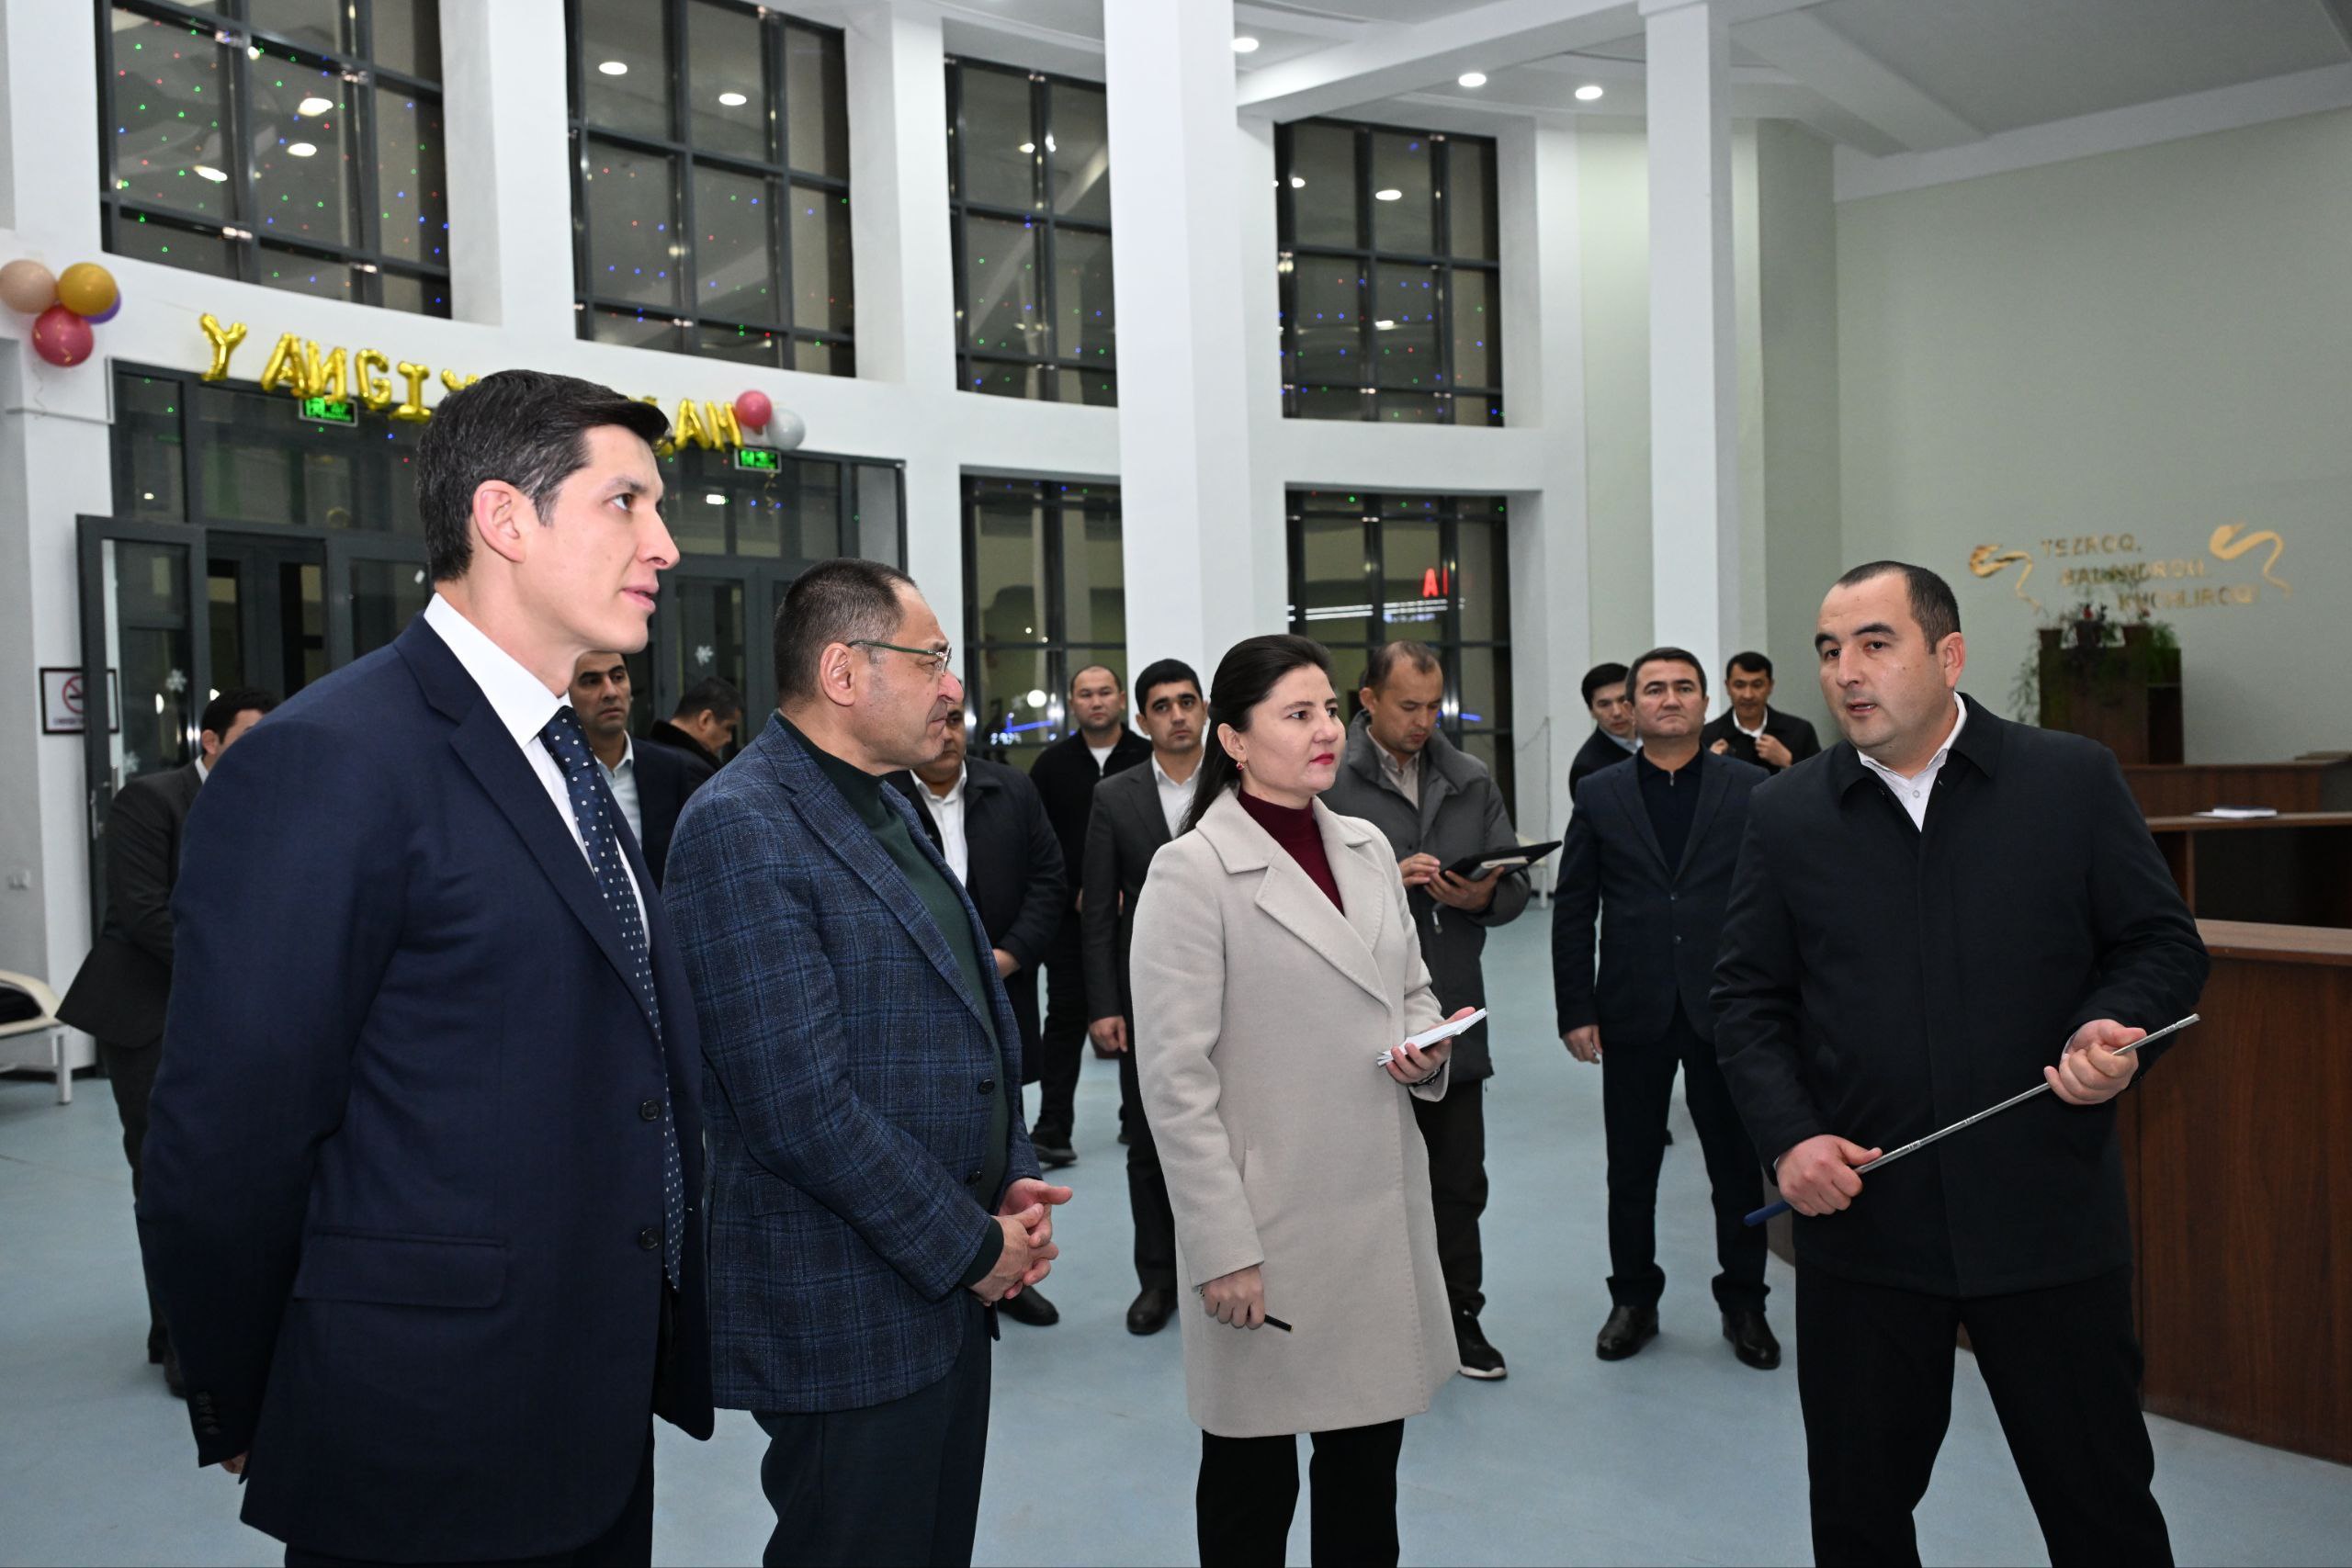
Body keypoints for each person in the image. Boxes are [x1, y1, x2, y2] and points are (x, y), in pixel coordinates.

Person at [135, 370, 714, 1565]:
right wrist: (255, 1388)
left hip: (587, 1401)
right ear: (505, 519)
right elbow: (229, 1133)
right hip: (420, 1427)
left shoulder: (564, 754)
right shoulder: (331, 759)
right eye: (626, 502)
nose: (663, 543)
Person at [1714, 561, 2208, 1566]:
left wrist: (2111, 1027)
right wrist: (1791, 1138)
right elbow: (1747, 998)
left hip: (2045, 1221)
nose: (1846, 671)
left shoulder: (2068, 780)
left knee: (2101, 1511)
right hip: (1866, 1229)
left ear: (1949, 656)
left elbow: (2160, 944)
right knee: (1858, 1516)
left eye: (1874, 643)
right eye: (1829, 650)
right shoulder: (1787, 812)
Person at [665, 558, 1070, 1568]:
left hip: (946, 1282)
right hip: (844, 1301)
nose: (952, 685)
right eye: (929, 659)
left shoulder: (887, 803)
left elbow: (970, 1011)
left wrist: (1010, 1172)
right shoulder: (741, 824)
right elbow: (797, 1107)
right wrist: (972, 1248)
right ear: (843, 672)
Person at [1132, 634, 1472, 1568]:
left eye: (1329, 710)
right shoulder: (1192, 872)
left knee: (1365, 1484)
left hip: (1373, 1218)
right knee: (1251, 1492)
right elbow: (1175, 1084)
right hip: (1269, 1231)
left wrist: (1423, 1048)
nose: (1327, 730)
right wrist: (1221, 1248)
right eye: (1297, 714)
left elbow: (1411, 991)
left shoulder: (1365, 846)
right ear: (1234, 740)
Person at [1552, 648, 1778, 1369]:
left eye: (1684, 687)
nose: (1669, 698)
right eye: (1654, 688)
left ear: (1706, 702)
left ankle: (1744, 1302)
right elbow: (1574, 906)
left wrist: (1776, 1001)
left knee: (1736, 1168)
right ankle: (1633, 1299)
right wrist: (1575, 1007)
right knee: (1632, 1169)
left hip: (1727, 1009)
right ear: (1632, 705)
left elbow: (1776, 902)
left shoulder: (1750, 789)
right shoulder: (1600, 792)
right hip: (1633, 1006)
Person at [57, 684, 277, 1398]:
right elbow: (143, 911)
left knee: (229, 1178)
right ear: (209, 741)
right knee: (166, 1176)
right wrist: (238, 972)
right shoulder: (149, 800)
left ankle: (205, 1326)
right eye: (249, 735)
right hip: (148, 1013)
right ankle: (181, 1340)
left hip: (229, 1016)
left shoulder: (269, 801)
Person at [1319, 640, 1528, 1381]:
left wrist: (1483, 894)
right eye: (1408, 705)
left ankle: (1459, 1315)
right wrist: (1383, 880)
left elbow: (1513, 881)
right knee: (1355, 1181)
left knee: (1458, 1182)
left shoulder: (1468, 778)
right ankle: (1361, 1322)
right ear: (1368, 699)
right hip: (1351, 1015)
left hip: (1450, 1009)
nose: (1423, 719)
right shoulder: (1327, 779)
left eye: (1433, 705)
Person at [888, 717, 1069, 1329]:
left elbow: (1048, 880)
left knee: (1003, 1129)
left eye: (954, 720)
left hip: (1002, 985)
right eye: (932, 719)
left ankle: (1011, 1274)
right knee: (932, 1130)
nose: (944, 732)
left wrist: (1004, 958)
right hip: (914, 999)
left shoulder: (1011, 789)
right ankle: (953, 1268)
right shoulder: (883, 794)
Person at [1079, 658, 1204, 1337]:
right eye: (1163, 705)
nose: (1177, 715)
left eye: (1187, 701)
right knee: (1150, 1142)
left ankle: (1226, 1266)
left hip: (1235, 986)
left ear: (1205, 709)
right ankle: (1158, 1278)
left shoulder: (1239, 782)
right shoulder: (1115, 795)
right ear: (1143, 719)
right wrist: (1104, 1004)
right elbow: (1098, 909)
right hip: (1147, 992)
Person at [1025, 663, 1151, 1166]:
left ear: (1120, 699)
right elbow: (1038, 843)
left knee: (1141, 1014)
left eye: (1104, 692)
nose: (1096, 702)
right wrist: (1077, 893)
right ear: (1073, 703)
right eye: (1085, 694)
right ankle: (1053, 1127)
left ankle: (1136, 1118)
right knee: (1065, 1018)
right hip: (1070, 919)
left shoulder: (1147, 758)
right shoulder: (1050, 767)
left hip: (1142, 915)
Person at [569, 649, 714, 886]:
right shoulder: (554, 773)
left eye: (618, 677)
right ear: (567, 696)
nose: (610, 692)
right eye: (592, 681)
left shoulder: (667, 769)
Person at [1702, 650, 1821, 773]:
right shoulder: (1707, 736)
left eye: (1757, 685)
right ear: (1727, 687)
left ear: (1770, 686)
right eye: (1739, 685)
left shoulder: (1799, 732)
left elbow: (1821, 779)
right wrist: (1710, 764)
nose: (1748, 695)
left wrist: (1789, 761)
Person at [1568, 660, 1641, 794]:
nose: (1617, 712)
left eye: (1623, 700)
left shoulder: (1661, 737)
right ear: (1591, 711)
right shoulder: (1587, 769)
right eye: (1604, 704)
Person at [648, 674, 742, 771]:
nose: (729, 738)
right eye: (728, 728)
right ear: (705, 720)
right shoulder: (695, 769)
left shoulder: (646, 756)